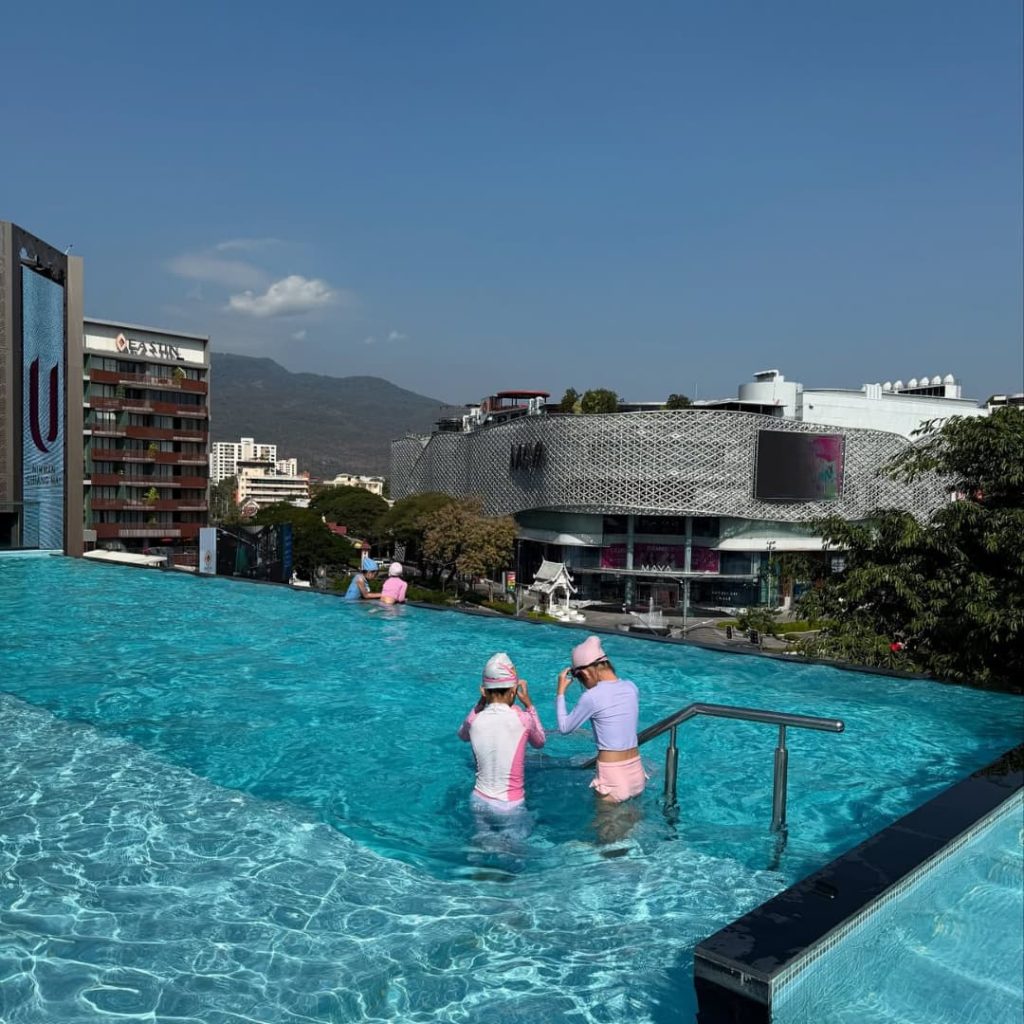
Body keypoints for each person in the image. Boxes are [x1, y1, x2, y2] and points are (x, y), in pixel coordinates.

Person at [556, 635, 646, 803]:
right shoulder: (631, 687)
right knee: (633, 825)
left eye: (580, 678)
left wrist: (560, 692)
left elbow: (564, 727)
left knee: (605, 828)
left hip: (613, 776)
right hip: (636, 770)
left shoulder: (592, 697)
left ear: (585, 672)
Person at [457, 652, 546, 814]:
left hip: (478, 800)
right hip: (509, 805)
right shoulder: (523, 719)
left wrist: (479, 705)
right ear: (514, 690)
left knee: (480, 839)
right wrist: (530, 706)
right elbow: (540, 742)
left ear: (483, 691)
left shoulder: (474, 720)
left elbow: (462, 736)